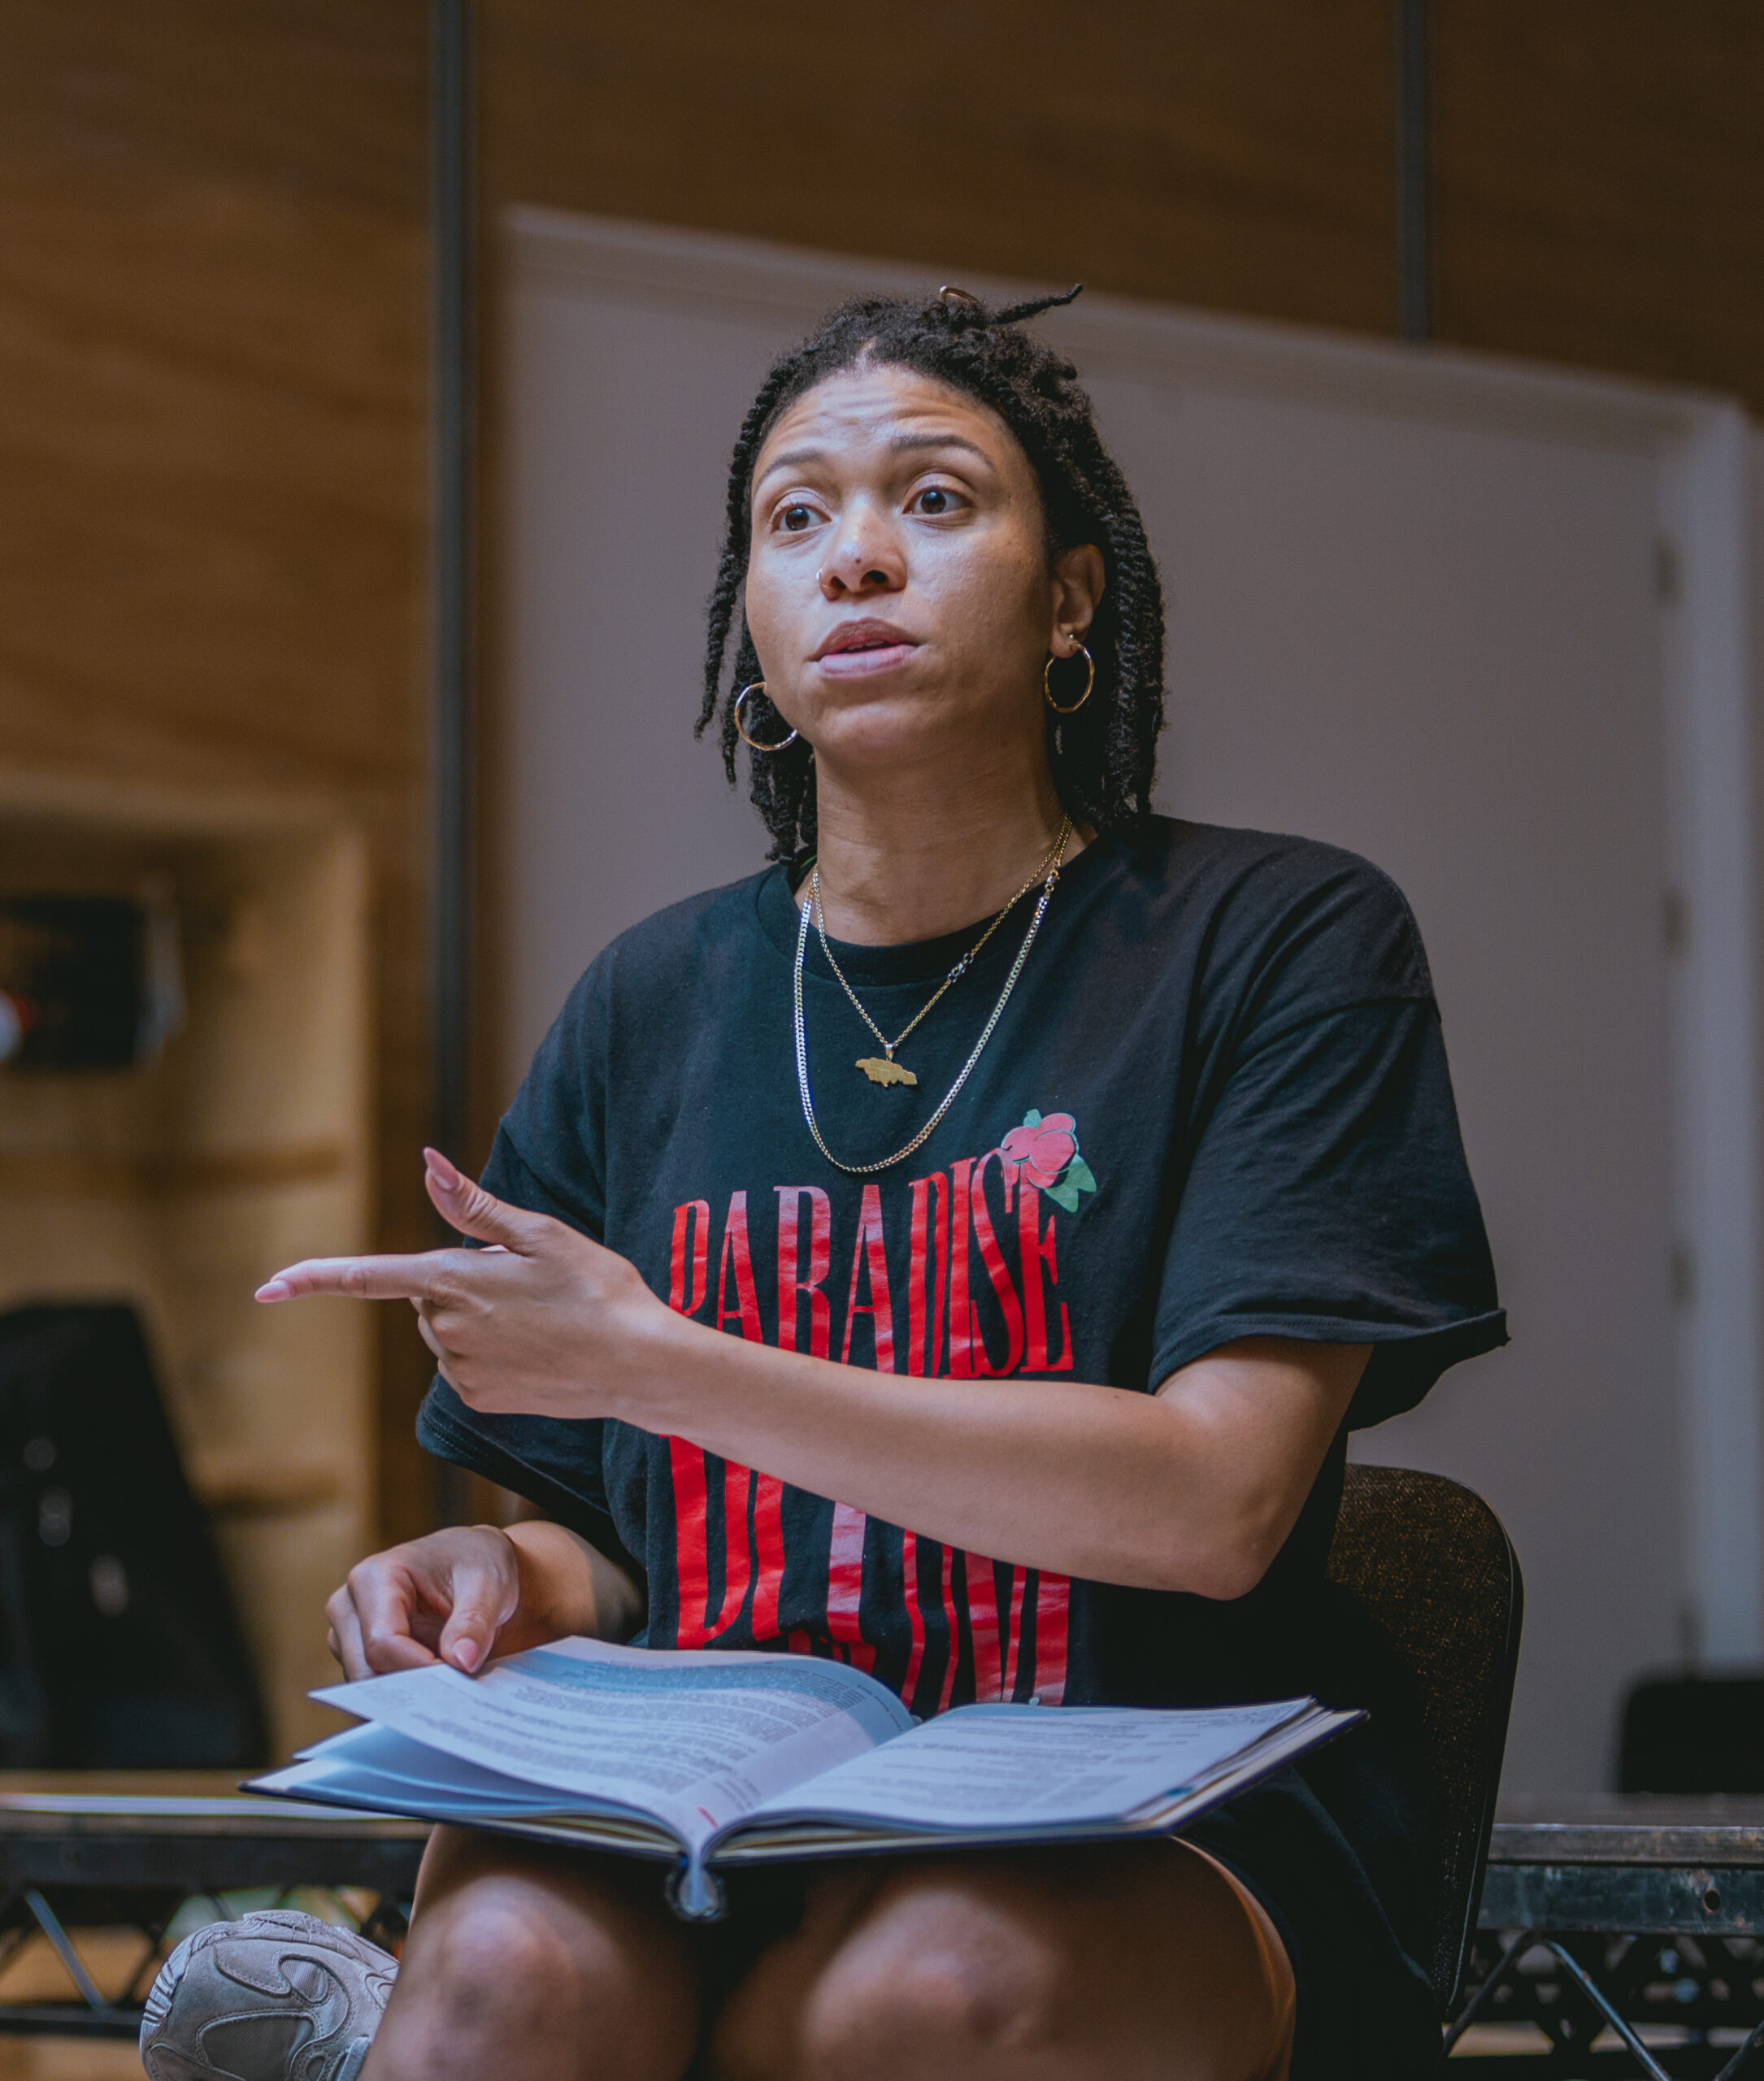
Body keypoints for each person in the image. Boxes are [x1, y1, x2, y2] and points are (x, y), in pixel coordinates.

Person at [145, 285, 1504, 2081]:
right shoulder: (652, 999)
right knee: (499, 1978)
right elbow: (615, 1548)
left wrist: (657, 1360)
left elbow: (1211, 1503)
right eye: (795, 518)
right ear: (753, 642)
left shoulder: (1276, 941)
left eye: (933, 501)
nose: (855, 555)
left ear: (1069, 595)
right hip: (719, 1821)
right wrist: (492, 1572)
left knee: (916, 1995)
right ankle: (403, 2015)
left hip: (1140, 1829)